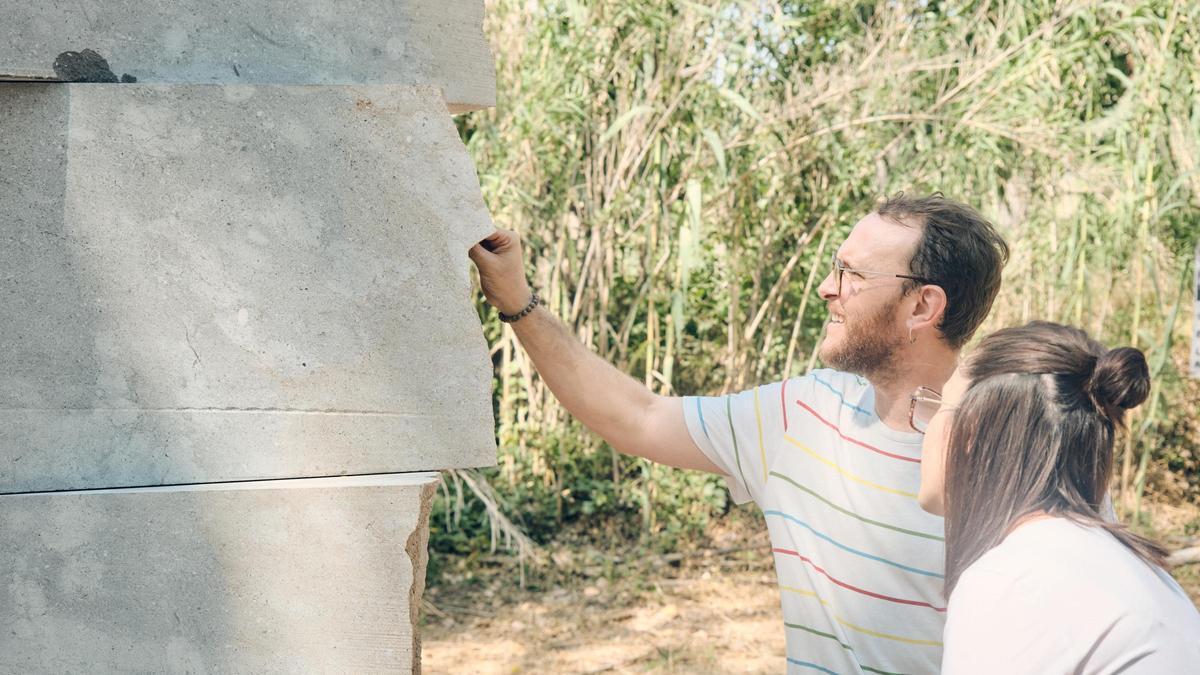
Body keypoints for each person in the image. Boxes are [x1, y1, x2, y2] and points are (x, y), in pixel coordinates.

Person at [469, 193, 1009, 673]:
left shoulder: (1020, 458)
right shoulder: (801, 413)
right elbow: (636, 417)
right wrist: (518, 301)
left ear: (923, 306)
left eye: (853, 275)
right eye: (833, 268)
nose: (827, 289)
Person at [918, 321, 1200, 673]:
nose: (926, 428)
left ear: (972, 431)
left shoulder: (1014, 583)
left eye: (938, 406)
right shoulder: (1110, 564)